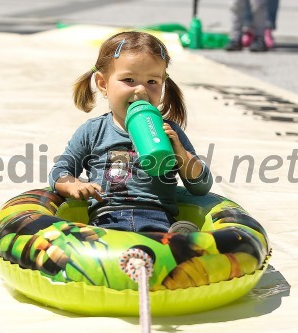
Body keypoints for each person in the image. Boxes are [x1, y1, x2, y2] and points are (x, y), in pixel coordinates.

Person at [49, 31, 213, 233]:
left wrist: (181, 154)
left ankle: (181, 241)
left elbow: (201, 186)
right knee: (91, 239)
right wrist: (73, 185)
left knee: (166, 240)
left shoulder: (169, 132)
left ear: (163, 84)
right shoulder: (93, 131)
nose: (141, 90)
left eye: (152, 82)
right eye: (129, 80)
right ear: (103, 84)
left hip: (158, 219)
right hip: (106, 221)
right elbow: (60, 171)